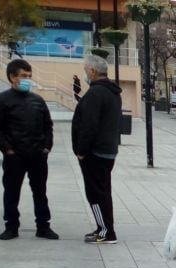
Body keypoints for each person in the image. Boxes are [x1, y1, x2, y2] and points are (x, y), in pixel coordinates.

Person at [0, 58, 57, 241]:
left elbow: (47, 125)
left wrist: (46, 148)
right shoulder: (1, 100)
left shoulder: (38, 100)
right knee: (11, 192)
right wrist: (8, 150)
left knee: (40, 192)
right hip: (14, 156)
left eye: (29, 76)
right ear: (12, 77)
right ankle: (11, 227)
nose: (27, 79)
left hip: (37, 155)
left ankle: (43, 226)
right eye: (23, 76)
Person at [72, 54, 122, 244]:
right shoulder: (112, 92)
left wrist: (81, 150)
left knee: (96, 192)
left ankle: (106, 231)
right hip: (107, 150)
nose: (85, 74)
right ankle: (103, 228)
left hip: (95, 152)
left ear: (92, 71)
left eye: (86, 70)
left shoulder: (95, 93)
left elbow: (89, 125)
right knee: (102, 191)